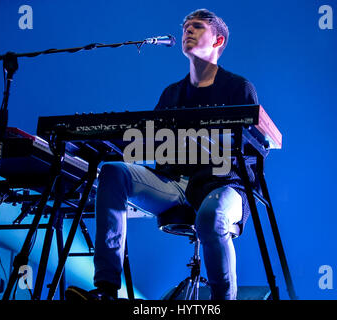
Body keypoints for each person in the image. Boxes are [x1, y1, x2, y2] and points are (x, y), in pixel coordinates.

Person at [66, 8, 258, 301]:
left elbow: (253, 153)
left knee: (212, 216)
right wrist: (100, 134)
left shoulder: (239, 88)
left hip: (224, 185)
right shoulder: (172, 94)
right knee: (114, 172)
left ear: (218, 41)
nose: (187, 32)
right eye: (185, 28)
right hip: (175, 183)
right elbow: (146, 142)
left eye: (197, 27)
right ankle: (106, 290)